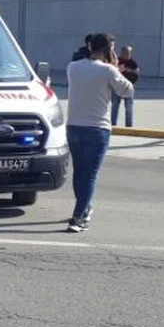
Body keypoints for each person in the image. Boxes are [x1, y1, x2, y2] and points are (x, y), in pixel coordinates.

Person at [64, 33, 134, 233]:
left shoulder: (72, 67)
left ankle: (83, 209)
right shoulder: (108, 70)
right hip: (97, 129)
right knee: (90, 176)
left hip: (74, 126)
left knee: (80, 173)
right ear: (107, 50)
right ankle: (78, 217)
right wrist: (115, 67)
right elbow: (127, 91)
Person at [111, 45, 140, 127]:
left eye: (128, 53)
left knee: (129, 107)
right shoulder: (117, 61)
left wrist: (130, 70)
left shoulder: (133, 63)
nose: (126, 54)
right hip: (117, 86)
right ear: (121, 53)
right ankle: (113, 124)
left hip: (129, 87)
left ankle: (128, 125)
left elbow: (137, 72)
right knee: (115, 106)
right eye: (124, 52)